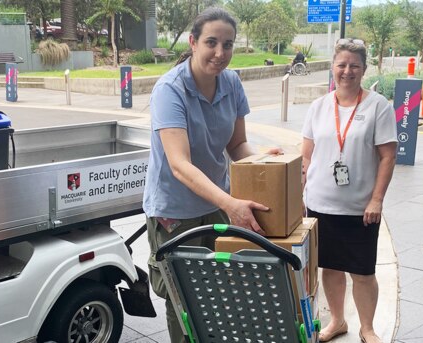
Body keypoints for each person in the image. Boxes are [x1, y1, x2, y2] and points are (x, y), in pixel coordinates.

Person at [142, 7, 280, 342]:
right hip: (175, 214)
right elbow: (179, 164)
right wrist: (230, 203)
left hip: (217, 203)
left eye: (228, 44)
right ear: (193, 42)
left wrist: (269, 160)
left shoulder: (231, 83)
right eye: (212, 42)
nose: (220, 53)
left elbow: (238, 145)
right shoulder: (170, 90)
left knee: (221, 291)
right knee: (183, 300)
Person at [301, 39, 397, 343]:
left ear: (364, 69)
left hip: (360, 209)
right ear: (333, 67)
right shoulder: (318, 107)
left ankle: (367, 328)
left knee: (362, 271)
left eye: (354, 65)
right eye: (341, 64)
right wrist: (298, 195)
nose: (347, 71)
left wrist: (377, 199)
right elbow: (306, 156)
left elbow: (388, 156)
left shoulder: (377, 106)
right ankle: (338, 321)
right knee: (329, 267)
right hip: (319, 204)